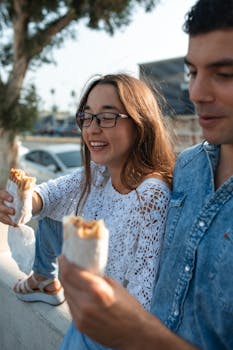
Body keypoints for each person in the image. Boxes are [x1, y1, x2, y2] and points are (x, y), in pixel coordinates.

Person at [58, 0, 233, 349]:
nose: (196, 93)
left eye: (225, 74)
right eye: (192, 73)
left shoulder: (152, 191)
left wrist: (138, 333)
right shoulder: (188, 168)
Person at [0, 74, 175, 340]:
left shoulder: (150, 196)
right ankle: (45, 279)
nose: (92, 129)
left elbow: (144, 299)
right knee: (52, 214)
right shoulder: (99, 171)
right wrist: (22, 203)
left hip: (112, 327)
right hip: (90, 304)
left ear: (140, 123)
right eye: (87, 116)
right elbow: (51, 194)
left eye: (107, 117)